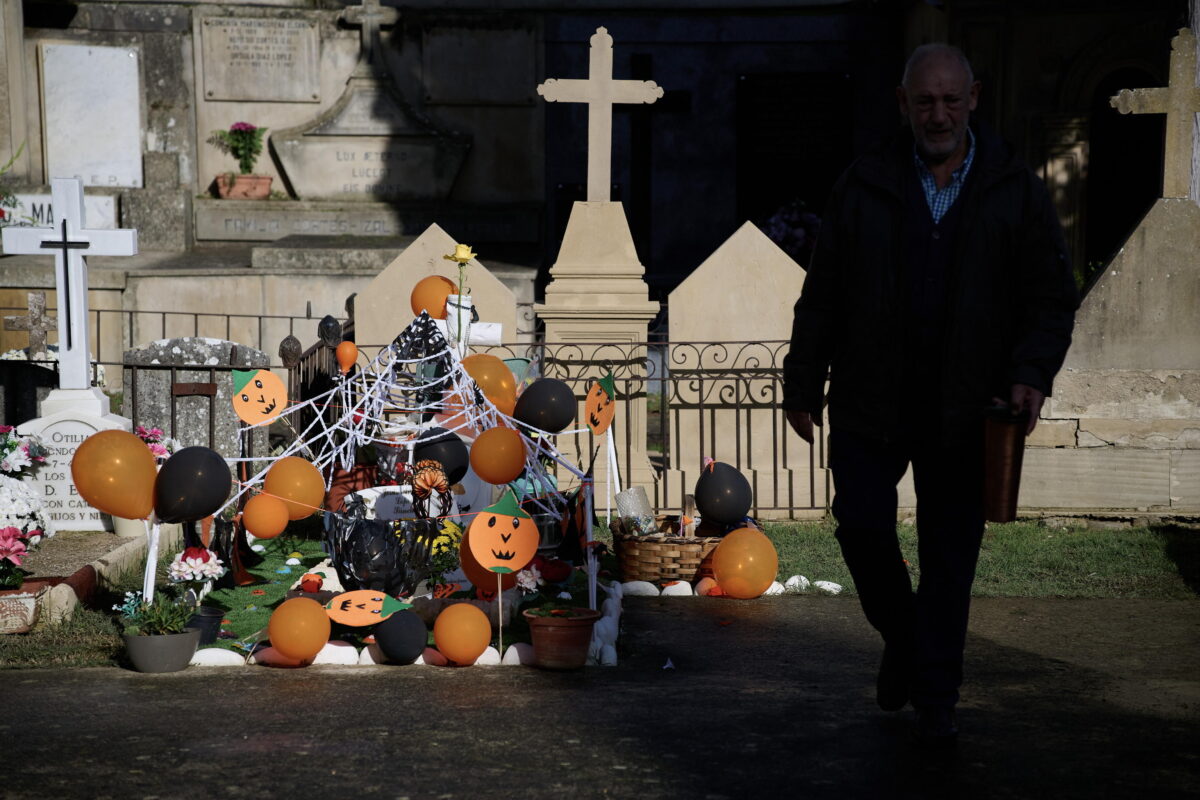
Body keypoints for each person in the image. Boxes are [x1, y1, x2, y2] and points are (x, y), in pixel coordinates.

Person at [781, 43, 1079, 745]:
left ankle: (937, 699)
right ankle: (906, 639)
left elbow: (1050, 297)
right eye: (925, 101)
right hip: (870, 399)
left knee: (950, 558)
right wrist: (803, 381)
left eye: (951, 100)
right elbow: (821, 298)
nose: (938, 114)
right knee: (859, 527)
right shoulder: (865, 182)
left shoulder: (1015, 187)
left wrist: (1031, 373)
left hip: (969, 407)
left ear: (973, 98)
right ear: (903, 104)